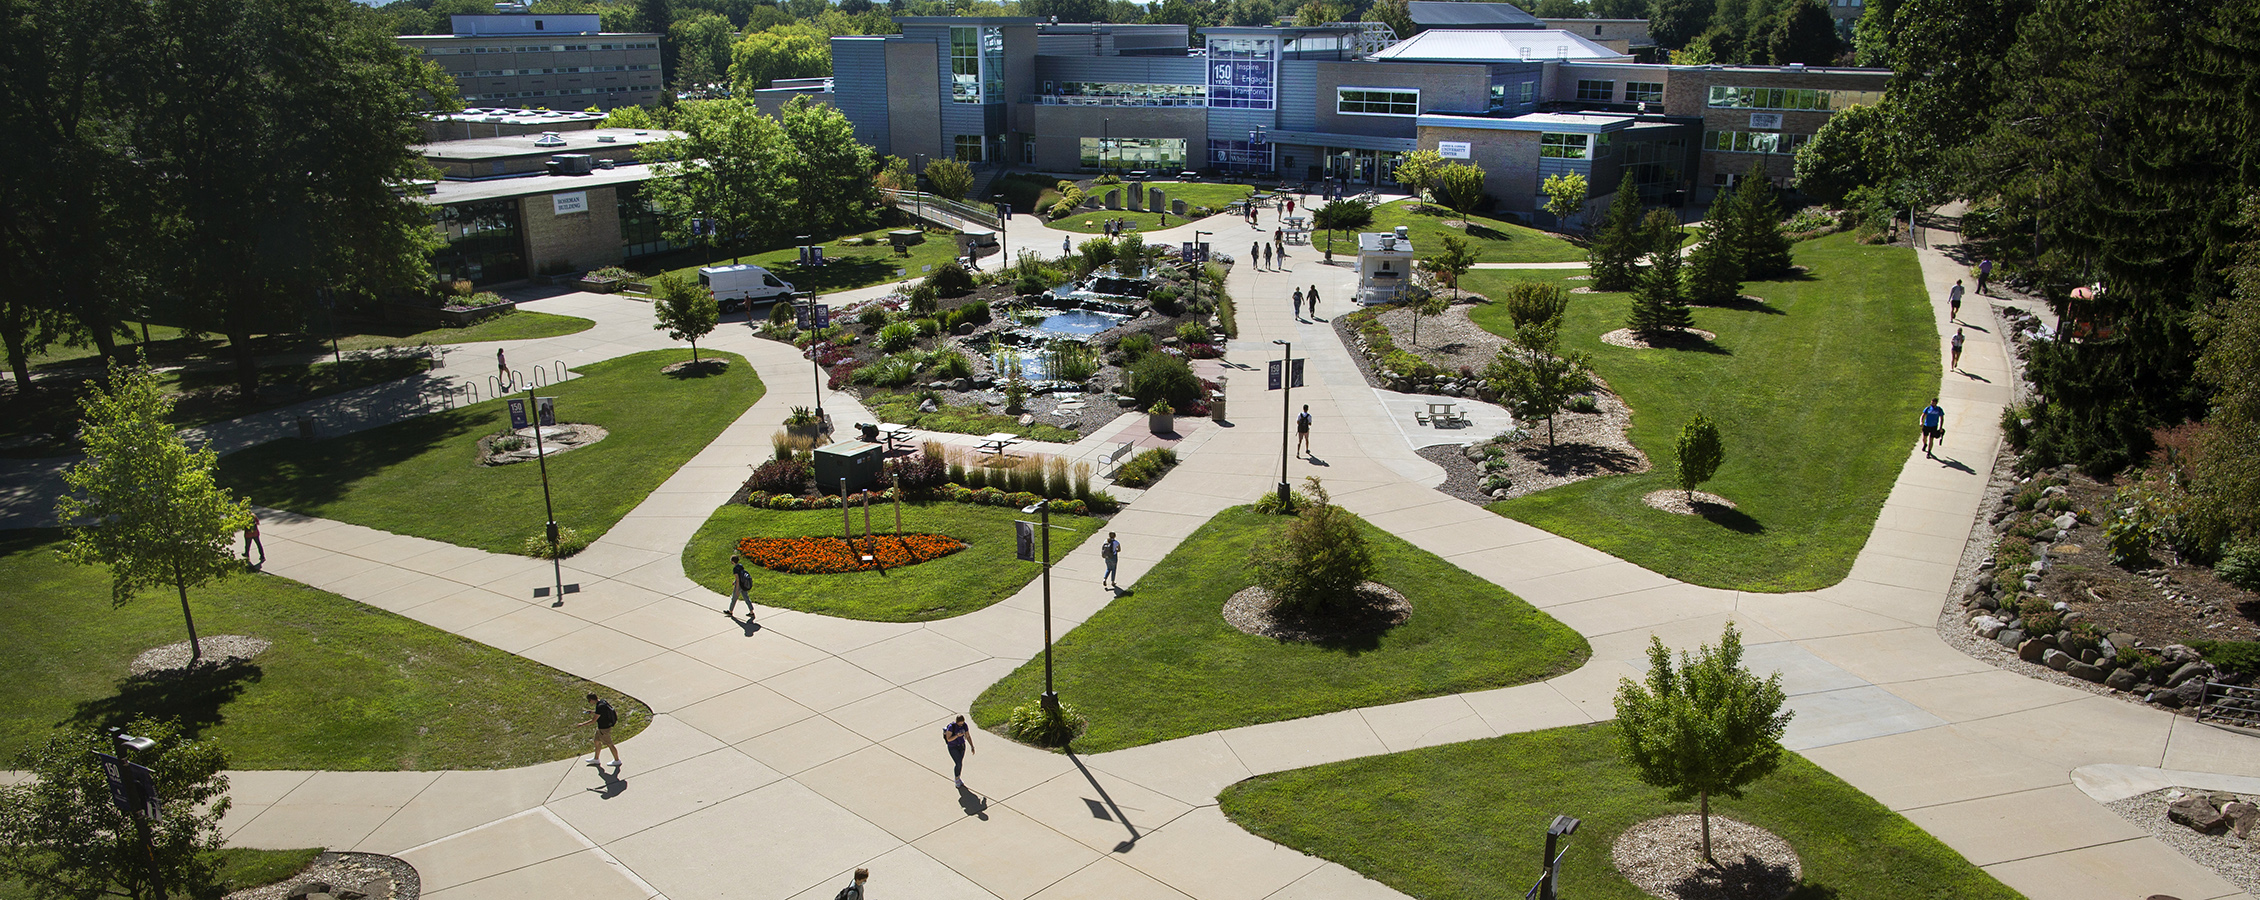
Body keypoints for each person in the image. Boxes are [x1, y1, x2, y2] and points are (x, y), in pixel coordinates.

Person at [575, 693, 621, 768]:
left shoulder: (600, 706)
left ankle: (617, 760)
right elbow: (602, 712)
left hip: (604, 729)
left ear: (591, 700)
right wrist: (593, 712)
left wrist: (582, 724)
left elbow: (593, 721)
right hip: (601, 728)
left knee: (610, 744)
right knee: (596, 741)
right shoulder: (602, 702)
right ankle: (596, 759)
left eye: (589, 700)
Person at [943, 715, 975, 786]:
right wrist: (957, 736)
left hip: (962, 746)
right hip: (953, 747)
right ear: (957, 722)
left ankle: (958, 777)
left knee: (960, 763)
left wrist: (972, 746)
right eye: (960, 723)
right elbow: (949, 739)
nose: (961, 725)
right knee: (958, 763)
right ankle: (957, 778)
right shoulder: (952, 727)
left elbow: (968, 736)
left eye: (962, 723)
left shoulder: (964, 725)